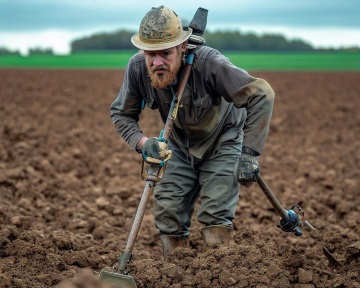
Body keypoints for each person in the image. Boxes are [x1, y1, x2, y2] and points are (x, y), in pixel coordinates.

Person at [110, 5, 275, 260]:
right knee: (168, 211)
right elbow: (122, 113)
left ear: (182, 47)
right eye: (150, 53)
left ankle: (220, 270)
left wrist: (249, 154)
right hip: (177, 142)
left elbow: (262, 94)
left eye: (165, 53)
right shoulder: (137, 69)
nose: (157, 62)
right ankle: (175, 272)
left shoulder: (209, 64)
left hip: (223, 139)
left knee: (215, 213)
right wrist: (145, 144)